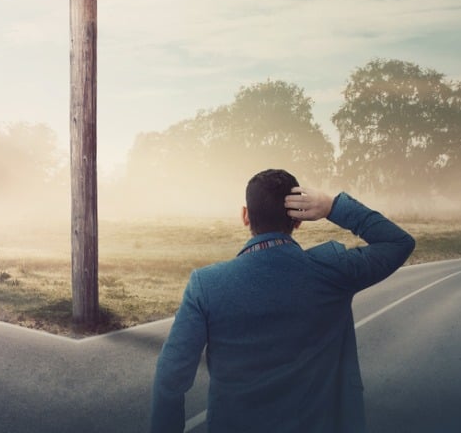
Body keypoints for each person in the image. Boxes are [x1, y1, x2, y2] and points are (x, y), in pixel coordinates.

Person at [149, 168, 415, 433]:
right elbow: (398, 243)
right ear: (298, 221)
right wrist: (332, 206)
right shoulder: (334, 271)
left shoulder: (206, 285)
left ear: (245, 216)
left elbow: (170, 378)